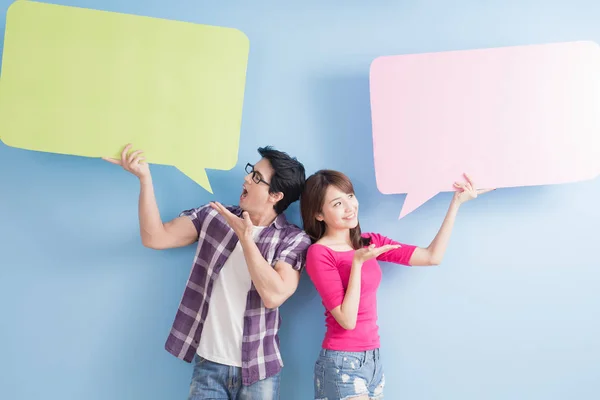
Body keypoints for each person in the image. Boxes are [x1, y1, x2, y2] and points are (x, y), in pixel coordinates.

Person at [104, 144, 311, 400]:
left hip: (260, 369)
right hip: (209, 366)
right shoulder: (215, 217)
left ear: (276, 196)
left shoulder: (293, 239)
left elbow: (274, 295)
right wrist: (145, 179)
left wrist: (246, 240)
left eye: (257, 178)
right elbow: (155, 237)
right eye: (251, 171)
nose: (246, 178)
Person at [300, 169, 492, 400]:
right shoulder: (319, 253)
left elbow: (432, 256)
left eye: (350, 196)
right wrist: (358, 264)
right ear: (319, 214)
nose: (350, 207)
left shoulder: (371, 242)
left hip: (373, 360)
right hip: (343, 362)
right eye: (337, 203)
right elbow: (347, 320)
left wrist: (456, 204)